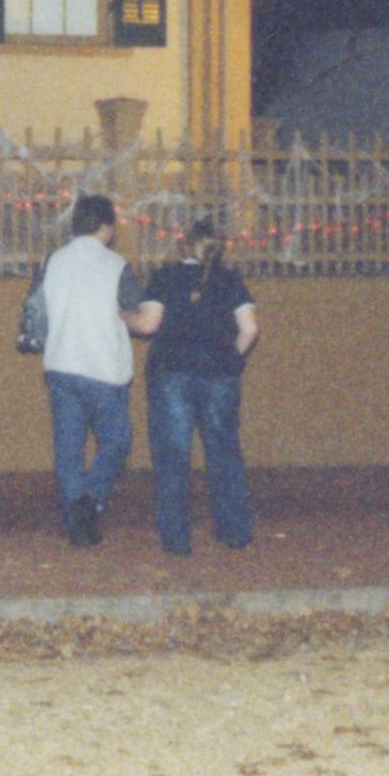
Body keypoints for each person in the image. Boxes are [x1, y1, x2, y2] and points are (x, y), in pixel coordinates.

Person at [35, 192, 160, 545]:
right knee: (117, 441)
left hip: (61, 363)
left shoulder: (52, 261)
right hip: (103, 368)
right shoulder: (115, 266)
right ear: (106, 227)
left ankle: (76, 512)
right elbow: (139, 318)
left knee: (69, 448)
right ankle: (91, 501)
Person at [143, 217, 261, 556]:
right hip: (219, 374)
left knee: (172, 456)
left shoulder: (166, 277)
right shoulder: (230, 280)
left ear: (185, 245)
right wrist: (231, 357)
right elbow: (250, 328)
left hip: (173, 372)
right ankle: (234, 531)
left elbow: (150, 322)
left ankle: (177, 538)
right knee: (224, 452)